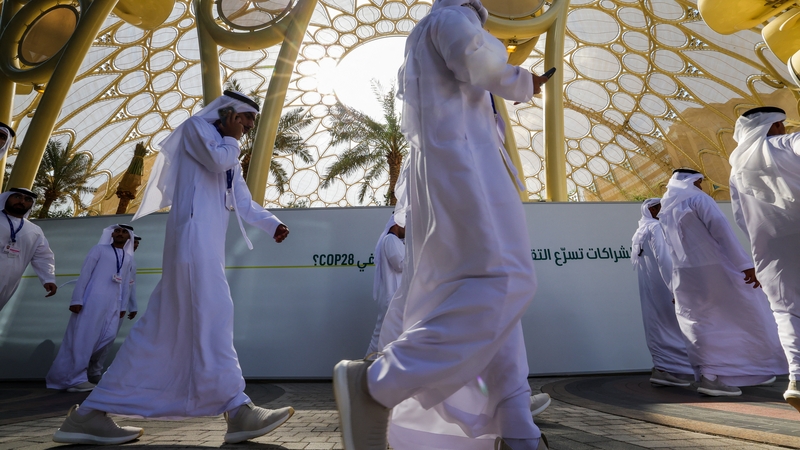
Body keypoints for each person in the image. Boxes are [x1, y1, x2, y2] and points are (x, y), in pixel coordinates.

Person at [333, 1, 552, 448]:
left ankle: (517, 428)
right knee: (505, 281)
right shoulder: (452, 20)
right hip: (465, 167)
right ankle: (377, 383)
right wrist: (522, 80)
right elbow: (478, 60)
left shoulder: (430, 30)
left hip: (454, 165)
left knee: (491, 305)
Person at [52, 90, 292, 446]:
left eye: (250, 122)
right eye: (245, 118)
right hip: (191, 241)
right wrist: (229, 137)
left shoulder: (227, 148)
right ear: (228, 113)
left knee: (165, 330)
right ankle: (237, 409)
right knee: (214, 314)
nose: (248, 127)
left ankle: (89, 414)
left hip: (206, 247)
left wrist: (271, 223)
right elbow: (215, 160)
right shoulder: (199, 129)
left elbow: (239, 198)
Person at [658, 168, 786, 396]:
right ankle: (736, 372)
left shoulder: (666, 209)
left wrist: (672, 285)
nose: (701, 186)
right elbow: (723, 232)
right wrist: (746, 266)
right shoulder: (698, 199)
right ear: (694, 181)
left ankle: (716, 375)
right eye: (700, 182)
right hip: (716, 270)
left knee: (701, 324)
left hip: (685, 276)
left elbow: (669, 253)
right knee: (749, 314)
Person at [729, 106, 800, 412]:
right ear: (771, 127)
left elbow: (740, 217)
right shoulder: (784, 144)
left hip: (770, 246)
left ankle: (797, 378)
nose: (784, 130)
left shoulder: (735, 168)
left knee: (787, 312)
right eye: (781, 125)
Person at [46, 224, 134, 393]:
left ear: (129, 237)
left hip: (113, 304)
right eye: (117, 231)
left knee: (106, 338)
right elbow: (85, 274)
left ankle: (74, 375)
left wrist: (122, 306)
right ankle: (74, 379)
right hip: (91, 301)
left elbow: (124, 284)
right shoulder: (98, 250)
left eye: (124, 232)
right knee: (83, 339)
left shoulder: (128, 258)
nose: (120, 234)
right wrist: (77, 299)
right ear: (112, 234)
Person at [631, 198, 693, 387]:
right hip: (664, 286)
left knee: (660, 326)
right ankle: (665, 369)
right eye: (657, 207)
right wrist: (675, 287)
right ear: (650, 210)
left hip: (653, 288)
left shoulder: (641, 230)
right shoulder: (656, 228)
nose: (661, 210)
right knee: (669, 325)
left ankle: (667, 368)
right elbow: (665, 259)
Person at [87, 235, 141, 384]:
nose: (135, 246)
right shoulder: (106, 254)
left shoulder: (131, 261)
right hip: (101, 303)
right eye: (133, 243)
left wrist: (132, 306)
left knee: (109, 339)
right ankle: (81, 369)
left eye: (137, 244)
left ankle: (95, 371)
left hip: (120, 307)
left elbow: (131, 286)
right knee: (92, 336)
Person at [0, 187, 57, 311]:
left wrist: (48, 279)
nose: (22, 201)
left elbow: (44, 256)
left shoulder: (34, 231)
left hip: (7, 284)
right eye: (17, 197)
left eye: (27, 199)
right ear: (6, 198)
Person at [365, 216, 404, 356]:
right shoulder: (390, 239)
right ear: (397, 224)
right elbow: (400, 263)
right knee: (380, 338)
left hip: (394, 297)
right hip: (391, 297)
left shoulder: (395, 241)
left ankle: (371, 369)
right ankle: (366, 370)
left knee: (387, 337)